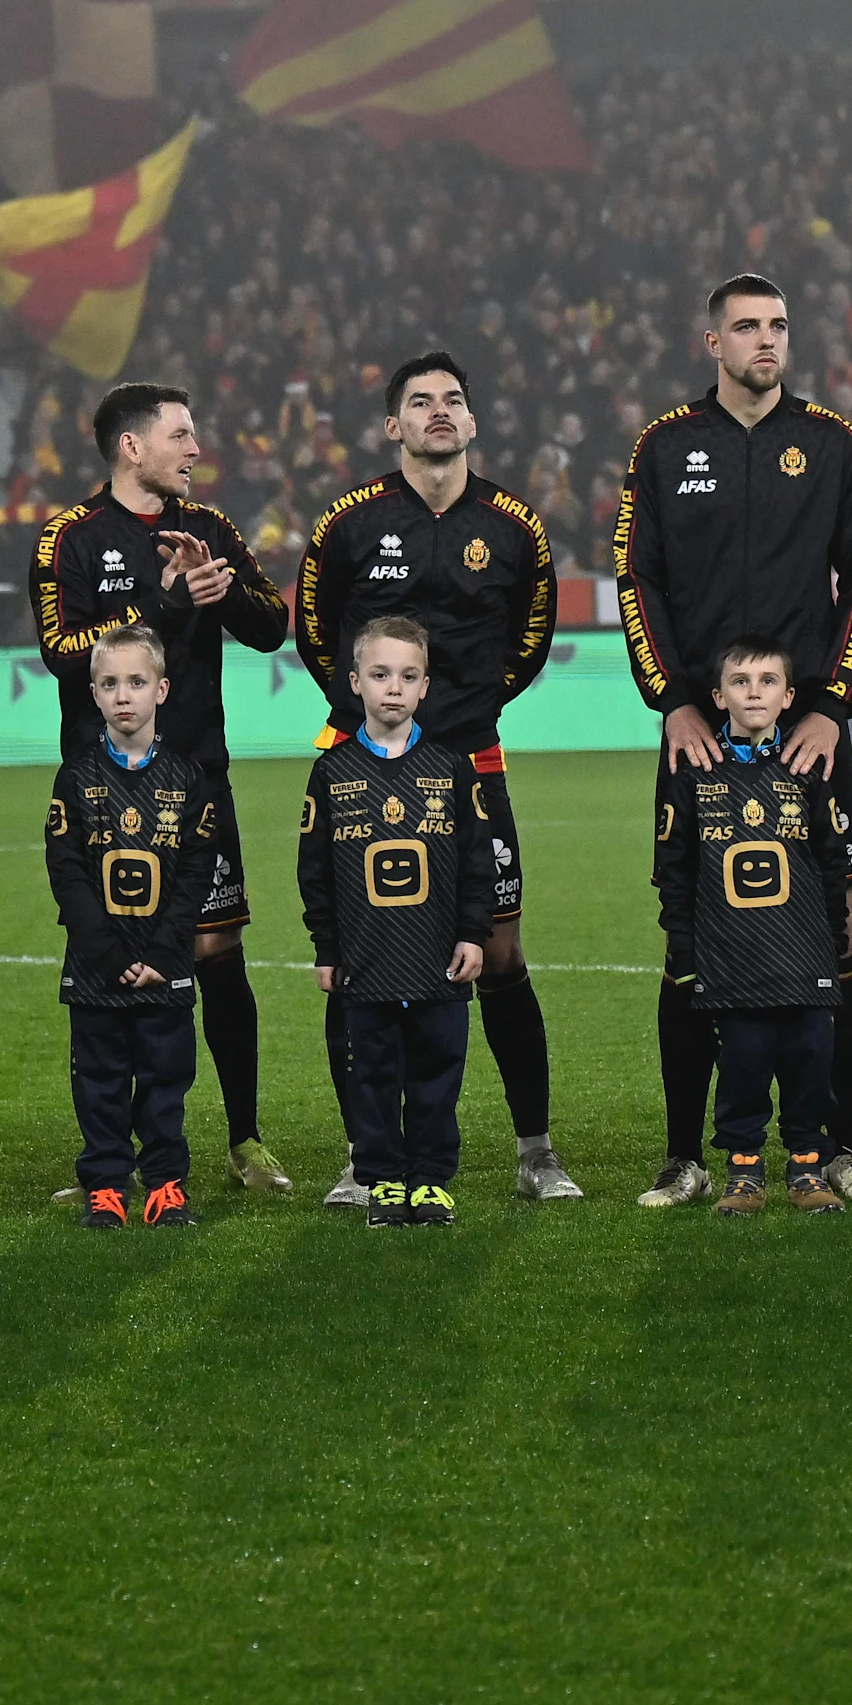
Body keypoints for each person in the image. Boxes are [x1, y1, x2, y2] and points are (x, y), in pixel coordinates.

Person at [614, 272, 852, 1210]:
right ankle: (686, 1155)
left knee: (837, 937)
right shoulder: (663, 445)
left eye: (777, 326)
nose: (765, 341)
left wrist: (833, 705)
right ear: (712, 342)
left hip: (807, 729)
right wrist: (672, 701)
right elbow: (636, 579)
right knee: (686, 943)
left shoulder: (832, 443)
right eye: (746, 328)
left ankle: (843, 1148)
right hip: (698, 730)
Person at [293, 351, 574, 1202]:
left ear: (473, 421)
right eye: (421, 403)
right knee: (358, 962)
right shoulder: (347, 522)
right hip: (365, 769)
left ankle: (536, 1152)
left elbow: (532, 637)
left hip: (471, 763)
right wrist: (377, 722)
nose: (439, 412)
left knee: (499, 953)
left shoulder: (516, 526)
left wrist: (463, 713)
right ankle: (361, 1156)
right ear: (394, 425)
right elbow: (315, 633)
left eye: (453, 400)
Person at [32, 380, 293, 1191]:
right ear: (132, 447)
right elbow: (59, 651)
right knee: (108, 955)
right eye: (181, 435)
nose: (195, 449)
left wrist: (223, 592)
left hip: (196, 780)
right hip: (102, 791)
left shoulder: (208, 528)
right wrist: (164, 598)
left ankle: (244, 1140)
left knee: (216, 949)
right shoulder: (68, 537)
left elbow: (272, 624)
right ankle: (108, 1156)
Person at [650, 636, 852, 1218]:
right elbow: (676, 869)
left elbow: (832, 860)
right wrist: (687, 949)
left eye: (768, 681)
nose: (754, 692)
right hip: (730, 960)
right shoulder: (695, 773)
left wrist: (831, 937)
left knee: (809, 1064)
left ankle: (806, 1168)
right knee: (741, 1066)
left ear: (789, 696)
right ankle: (743, 1173)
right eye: (740, 681)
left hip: (804, 961)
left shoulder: (809, 768)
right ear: (718, 696)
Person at [297, 616, 490, 1227]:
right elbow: (315, 872)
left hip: (439, 959)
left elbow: (476, 863)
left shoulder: (453, 768)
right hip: (366, 960)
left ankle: (431, 1180)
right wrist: (326, 947)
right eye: (380, 675)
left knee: (437, 1071)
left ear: (426, 686)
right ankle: (381, 1180)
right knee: (373, 1078)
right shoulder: (331, 772)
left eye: (408, 676)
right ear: (355, 682)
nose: (393, 688)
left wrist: (472, 933)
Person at [48, 624, 214, 1229]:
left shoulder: (189, 780)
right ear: (93, 694)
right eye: (110, 683)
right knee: (100, 1083)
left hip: (162, 968)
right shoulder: (75, 778)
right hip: (97, 971)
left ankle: (166, 1185)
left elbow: (195, 878)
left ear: (161, 691)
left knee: (166, 1082)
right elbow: (67, 876)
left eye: (136, 682)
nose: (124, 695)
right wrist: (108, 953)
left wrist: (166, 955)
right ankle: (106, 1186)